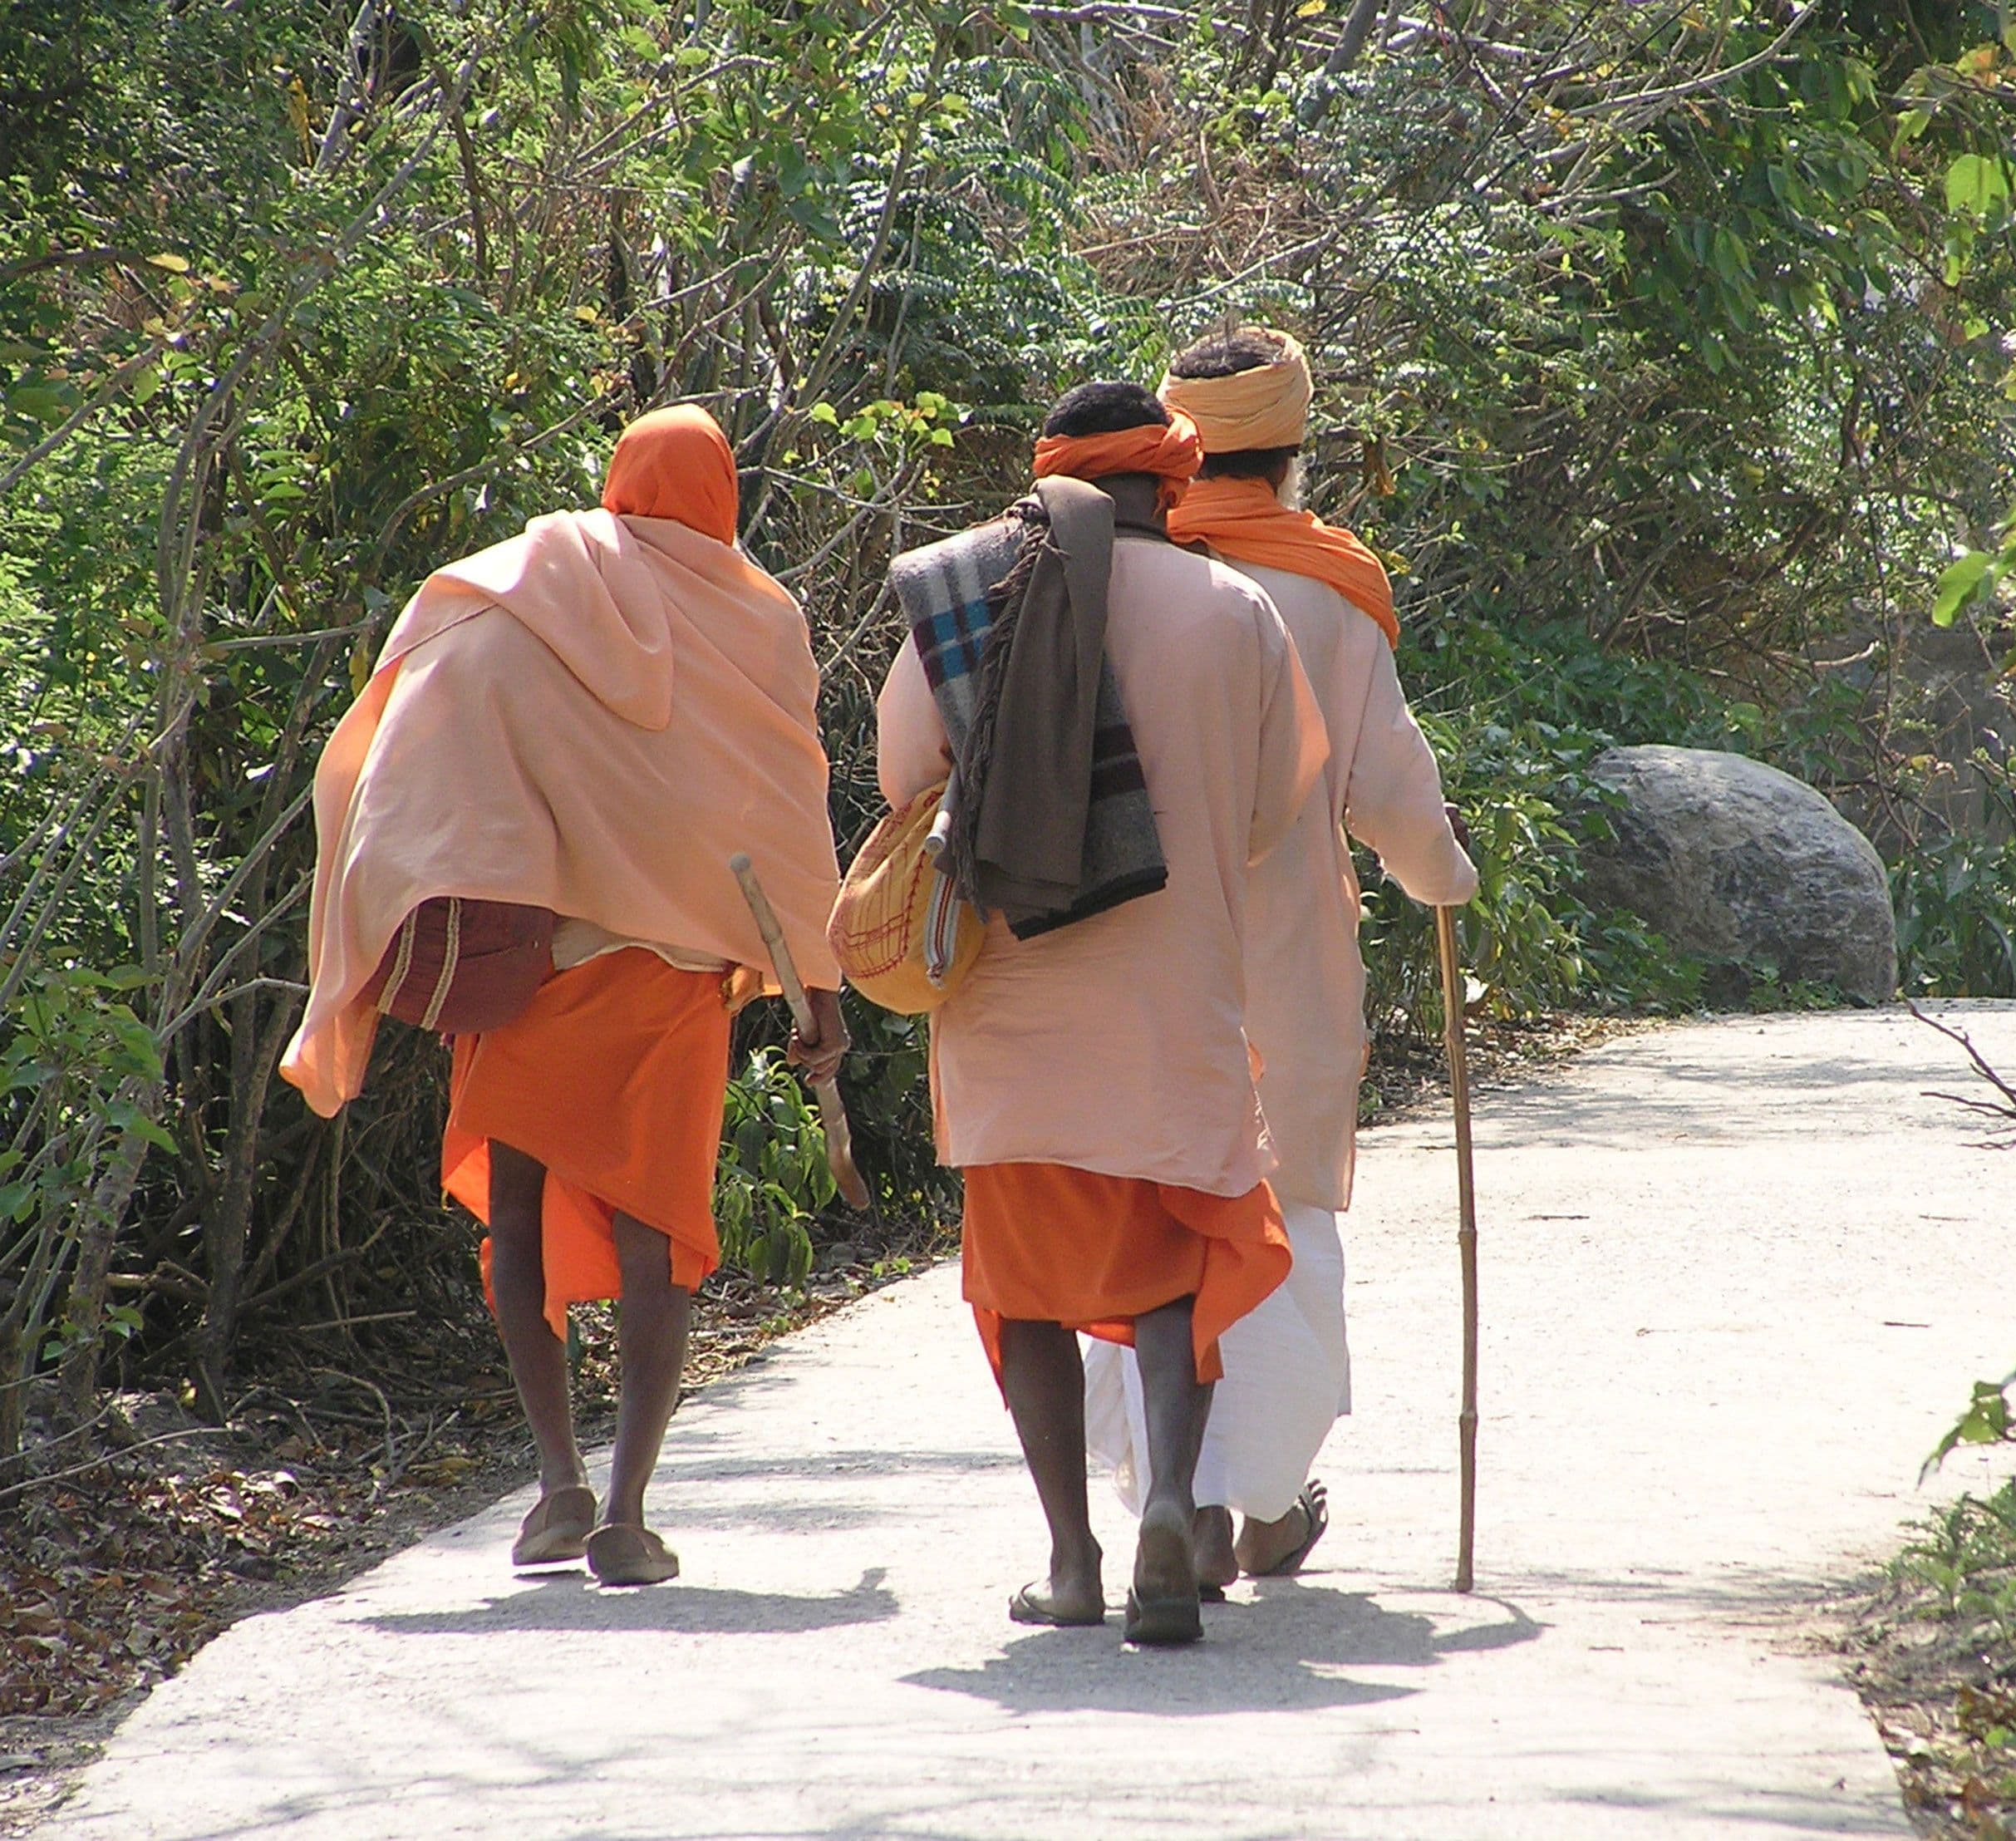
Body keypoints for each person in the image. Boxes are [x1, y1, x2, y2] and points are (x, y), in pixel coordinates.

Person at [281, 406, 848, 1587]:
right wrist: (819, 985)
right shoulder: (760, 616)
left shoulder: (524, 588)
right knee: (656, 1237)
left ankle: (555, 1488)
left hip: (535, 969)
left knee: (522, 1216)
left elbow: (420, 747)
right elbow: (787, 809)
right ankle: (628, 1514)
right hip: (673, 975)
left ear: (620, 484)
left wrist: (433, 886)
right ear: (722, 495)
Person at [873, 381, 1325, 1644]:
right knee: (1171, 1267)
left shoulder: (968, 595)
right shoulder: (1235, 607)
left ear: (1054, 472)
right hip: (1175, 997)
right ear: (1168, 480)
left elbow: (906, 779)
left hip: (1013, 1006)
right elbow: (1277, 801)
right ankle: (1170, 1506)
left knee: (1020, 1292)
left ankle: (1071, 1559)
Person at [1082, 327, 1477, 1592]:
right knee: (1282, 1208)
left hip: (1131, 948)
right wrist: (1445, 876)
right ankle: (1251, 1504)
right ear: (1294, 445)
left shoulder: (1119, 568)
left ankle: (1176, 1498)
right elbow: (1383, 786)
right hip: (1285, 956)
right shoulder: (1327, 580)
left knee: (1154, 1210)